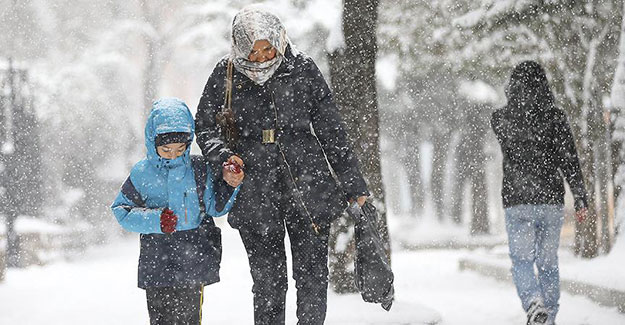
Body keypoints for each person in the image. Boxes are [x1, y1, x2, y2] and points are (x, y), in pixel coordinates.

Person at [195, 6, 369, 325]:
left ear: (278, 39)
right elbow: (204, 126)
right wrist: (223, 157)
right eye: (253, 50)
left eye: (267, 48)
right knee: (267, 284)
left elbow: (331, 130)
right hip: (254, 194)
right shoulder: (226, 73)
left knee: (312, 279)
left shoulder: (301, 68)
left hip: (308, 188)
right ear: (238, 46)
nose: (261, 58)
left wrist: (354, 185)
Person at [111, 97, 243, 325]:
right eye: (166, 149)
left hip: (193, 258)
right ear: (153, 141)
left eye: (180, 148)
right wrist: (155, 220)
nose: (173, 154)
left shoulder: (199, 169)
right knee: (161, 319)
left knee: (190, 319)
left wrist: (231, 185)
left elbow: (215, 208)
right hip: (157, 259)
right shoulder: (142, 173)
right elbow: (121, 210)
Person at [491, 61, 588, 325]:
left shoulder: (501, 118)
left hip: (517, 200)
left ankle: (534, 303)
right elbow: (569, 159)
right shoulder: (555, 118)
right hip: (550, 201)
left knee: (522, 261)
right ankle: (550, 318)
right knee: (547, 263)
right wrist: (580, 197)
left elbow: (514, 130)